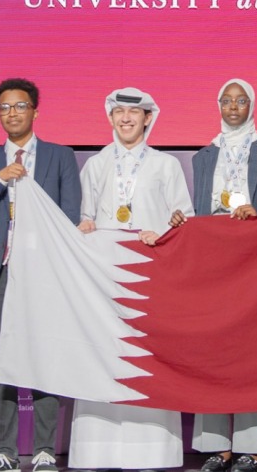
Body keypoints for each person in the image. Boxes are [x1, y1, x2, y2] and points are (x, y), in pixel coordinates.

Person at [70, 87, 195, 471]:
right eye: (119, 112)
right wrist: (86, 224)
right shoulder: (95, 165)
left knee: (147, 361)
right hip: (105, 279)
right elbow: (85, 218)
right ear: (110, 118)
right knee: (103, 358)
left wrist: (163, 231)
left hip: (149, 277)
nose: (126, 119)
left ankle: (152, 452)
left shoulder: (166, 165)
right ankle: (98, 451)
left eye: (134, 113)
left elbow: (184, 220)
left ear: (147, 118)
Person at [0, 79, 81, 472]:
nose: (12, 113)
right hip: (0, 276)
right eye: (4, 107)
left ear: (35, 110)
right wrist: (0, 180)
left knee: (46, 358)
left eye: (20, 106)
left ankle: (46, 448)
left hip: (46, 275)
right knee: (2, 363)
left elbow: (69, 216)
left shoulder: (59, 157)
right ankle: (6, 450)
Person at [181, 79, 257, 472]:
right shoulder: (203, 157)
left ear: (252, 104)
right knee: (213, 351)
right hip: (214, 260)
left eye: (240, 100)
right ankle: (216, 446)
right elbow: (198, 212)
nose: (232, 107)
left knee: (253, 351)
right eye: (225, 100)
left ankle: (253, 447)